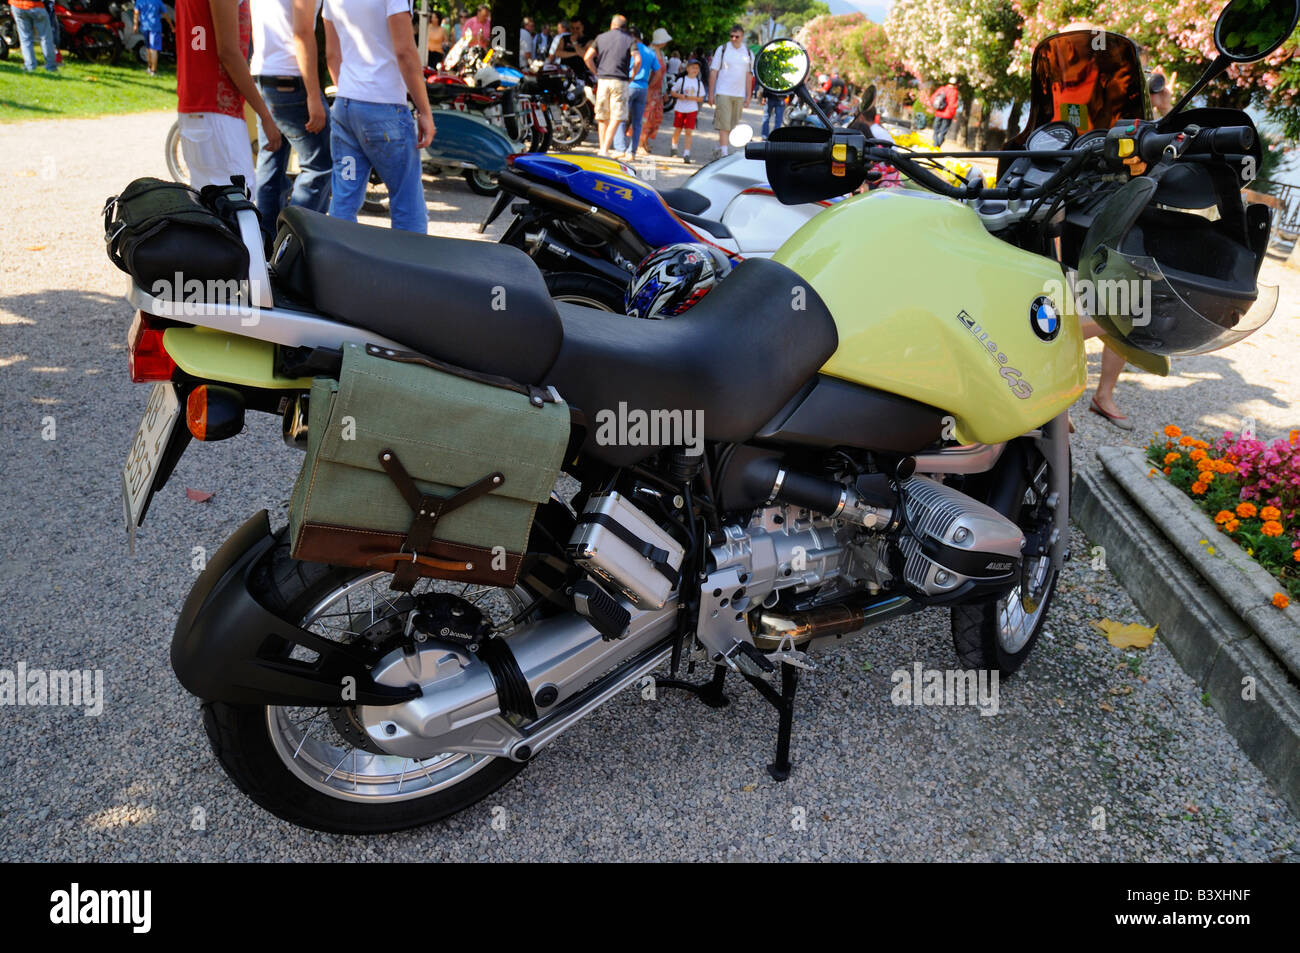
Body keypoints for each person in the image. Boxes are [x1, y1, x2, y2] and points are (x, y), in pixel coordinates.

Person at [317, 0, 435, 233]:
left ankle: (337, 264)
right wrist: (425, 111)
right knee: (406, 202)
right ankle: (409, 268)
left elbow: (332, 54)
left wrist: (353, 94)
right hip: (385, 108)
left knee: (343, 200)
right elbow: (405, 52)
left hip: (345, 108)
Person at [177, 0, 280, 191]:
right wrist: (265, 115)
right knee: (239, 200)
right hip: (217, 108)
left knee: (209, 201)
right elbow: (228, 52)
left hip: (195, 104)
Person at [248, 0, 332, 237]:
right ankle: (292, 240)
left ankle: (265, 246)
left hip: (263, 75)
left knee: (271, 163)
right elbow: (302, 32)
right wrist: (314, 96)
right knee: (321, 166)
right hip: (291, 80)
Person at [584, 14, 640, 158]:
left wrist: (596, 72)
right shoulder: (630, 40)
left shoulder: (600, 37)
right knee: (617, 116)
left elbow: (587, 57)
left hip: (603, 80)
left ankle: (603, 148)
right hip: (620, 81)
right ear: (624, 27)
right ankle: (605, 148)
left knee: (602, 115)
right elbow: (638, 60)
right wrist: (632, 75)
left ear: (611, 25)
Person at [708, 24, 752, 157]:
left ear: (742, 37)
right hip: (723, 91)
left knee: (732, 125)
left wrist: (748, 96)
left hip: (739, 94)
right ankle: (724, 154)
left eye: (737, 36)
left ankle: (719, 146)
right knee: (724, 124)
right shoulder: (722, 49)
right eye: (731, 36)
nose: (733, 39)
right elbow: (713, 72)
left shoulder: (748, 52)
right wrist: (711, 94)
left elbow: (749, 75)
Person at [614, 26, 657, 159]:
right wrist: (649, 83)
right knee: (637, 121)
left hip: (629, 84)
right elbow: (657, 71)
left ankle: (620, 148)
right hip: (643, 87)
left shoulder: (629, 49)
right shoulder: (650, 52)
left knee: (620, 117)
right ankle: (631, 152)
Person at [637, 27, 671, 155]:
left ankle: (645, 141)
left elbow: (662, 75)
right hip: (649, 89)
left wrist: (664, 91)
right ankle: (640, 144)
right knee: (645, 117)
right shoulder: (649, 51)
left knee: (655, 119)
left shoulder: (660, 53)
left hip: (657, 92)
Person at [670, 58, 704, 162]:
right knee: (678, 130)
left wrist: (691, 98)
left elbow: (701, 98)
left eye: (697, 68)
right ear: (687, 68)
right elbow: (672, 92)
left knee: (689, 131)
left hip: (692, 109)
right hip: (680, 108)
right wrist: (680, 96)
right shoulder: (682, 80)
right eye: (693, 67)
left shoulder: (699, 83)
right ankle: (674, 146)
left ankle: (687, 153)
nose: (695, 70)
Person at [10, 0, 58, 73]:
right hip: (36, 6)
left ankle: (30, 66)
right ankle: (51, 66)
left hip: (17, 5)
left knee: (25, 39)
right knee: (46, 38)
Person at [133, 0, 172, 76]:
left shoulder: (140, 1)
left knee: (148, 48)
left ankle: (149, 67)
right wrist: (171, 26)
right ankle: (153, 71)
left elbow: (136, 13)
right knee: (154, 49)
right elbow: (166, 15)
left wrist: (135, 25)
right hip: (155, 27)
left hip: (144, 27)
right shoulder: (158, 1)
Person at [930, 76, 959, 147]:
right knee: (943, 132)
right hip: (947, 115)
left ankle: (934, 144)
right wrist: (954, 116)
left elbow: (932, 98)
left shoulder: (942, 89)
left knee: (936, 131)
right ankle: (937, 146)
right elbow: (952, 105)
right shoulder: (954, 92)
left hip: (939, 113)